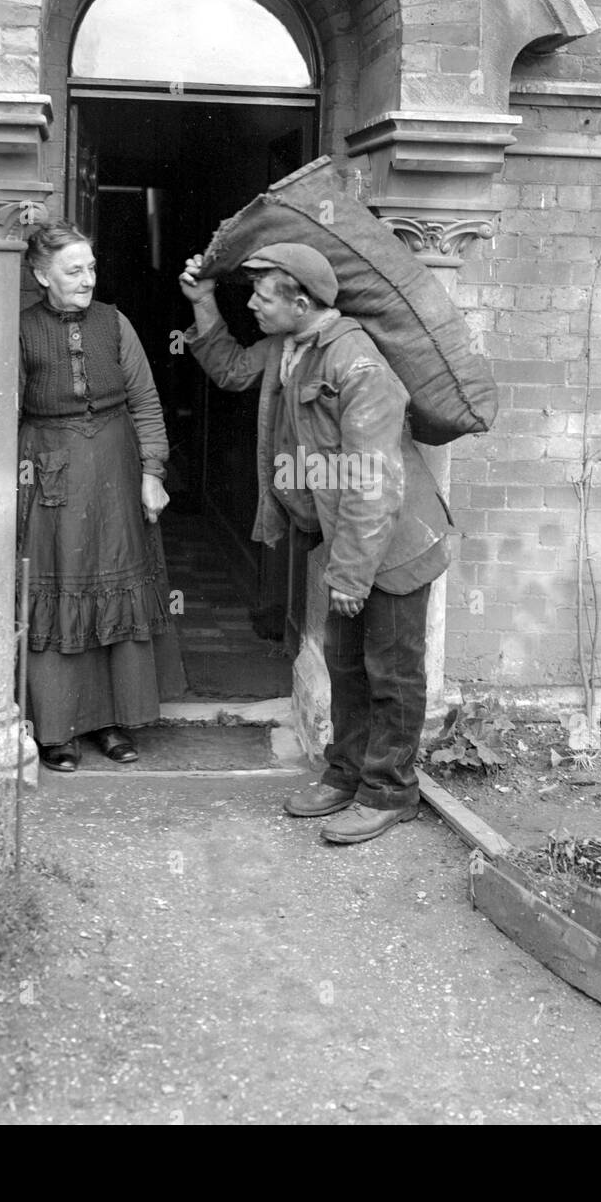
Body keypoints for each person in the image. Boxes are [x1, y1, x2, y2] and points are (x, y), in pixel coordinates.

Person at [179, 243, 454, 843]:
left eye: (261, 295)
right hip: (350, 538)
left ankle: (389, 792)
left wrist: (351, 577)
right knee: (347, 664)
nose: (250, 304)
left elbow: (373, 484)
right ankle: (346, 774)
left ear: (300, 302)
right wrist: (202, 303)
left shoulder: (357, 365)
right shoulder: (292, 348)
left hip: (395, 543)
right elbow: (229, 369)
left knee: (392, 671)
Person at [18, 221, 184, 772]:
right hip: (50, 472)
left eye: (91, 267)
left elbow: (146, 401)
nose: (88, 278)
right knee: (63, 586)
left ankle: (111, 721)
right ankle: (58, 730)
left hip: (116, 466)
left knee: (112, 581)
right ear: (43, 275)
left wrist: (152, 472)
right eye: (74, 270)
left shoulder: (115, 323)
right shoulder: (21, 330)